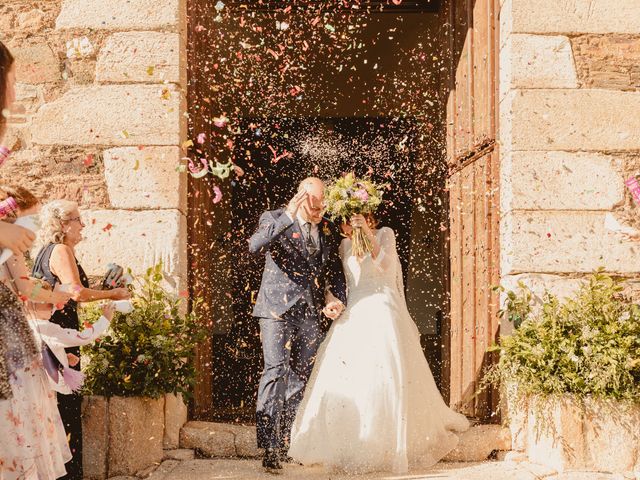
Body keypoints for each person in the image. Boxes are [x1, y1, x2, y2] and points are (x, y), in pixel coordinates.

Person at [288, 213, 470, 474]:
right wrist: (331, 298)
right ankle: (352, 437)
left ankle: (388, 439)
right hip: (355, 310)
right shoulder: (342, 245)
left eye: (352, 220)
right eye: (344, 222)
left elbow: (384, 265)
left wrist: (367, 234)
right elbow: (340, 283)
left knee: (386, 369)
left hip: (384, 307)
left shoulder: (385, 234)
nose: (347, 226)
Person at [248, 177, 347, 472]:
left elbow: (334, 269)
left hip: (309, 312)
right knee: (275, 370)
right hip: (275, 309)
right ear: (302, 198)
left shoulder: (326, 228)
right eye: (315, 206)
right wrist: (290, 214)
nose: (320, 212)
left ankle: (290, 439)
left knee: (300, 376)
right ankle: (269, 444)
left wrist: (335, 297)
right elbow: (255, 246)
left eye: (323, 205)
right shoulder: (276, 218)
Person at [31, 200, 130, 480]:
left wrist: (105, 288)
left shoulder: (52, 251)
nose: (82, 224)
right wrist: (113, 296)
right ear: (63, 225)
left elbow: (75, 290)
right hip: (60, 337)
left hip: (56, 337)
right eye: (77, 219)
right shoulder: (61, 250)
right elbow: (77, 293)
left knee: (61, 410)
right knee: (66, 411)